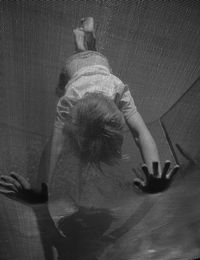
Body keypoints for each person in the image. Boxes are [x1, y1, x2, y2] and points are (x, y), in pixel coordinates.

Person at [0, 18, 179, 198]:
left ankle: (85, 39)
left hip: (97, 64)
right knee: (62, 84)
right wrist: (155, 173)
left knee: (86, 56)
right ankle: (83, 40)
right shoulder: (75, 98)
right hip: (77, 66)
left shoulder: (113, 90)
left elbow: (55, 145)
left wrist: (39, 189)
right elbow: (139, 134)